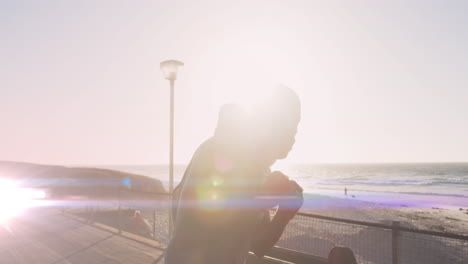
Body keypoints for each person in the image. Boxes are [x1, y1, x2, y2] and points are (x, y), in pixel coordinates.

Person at [164, 86, 303, 264]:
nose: (293, 136)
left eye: (296, 127)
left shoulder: (260, 171)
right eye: (290, 125)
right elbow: (204, 222)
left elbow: (258, 245)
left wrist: (285, 214)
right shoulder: (218, 151)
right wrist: (262, 198)